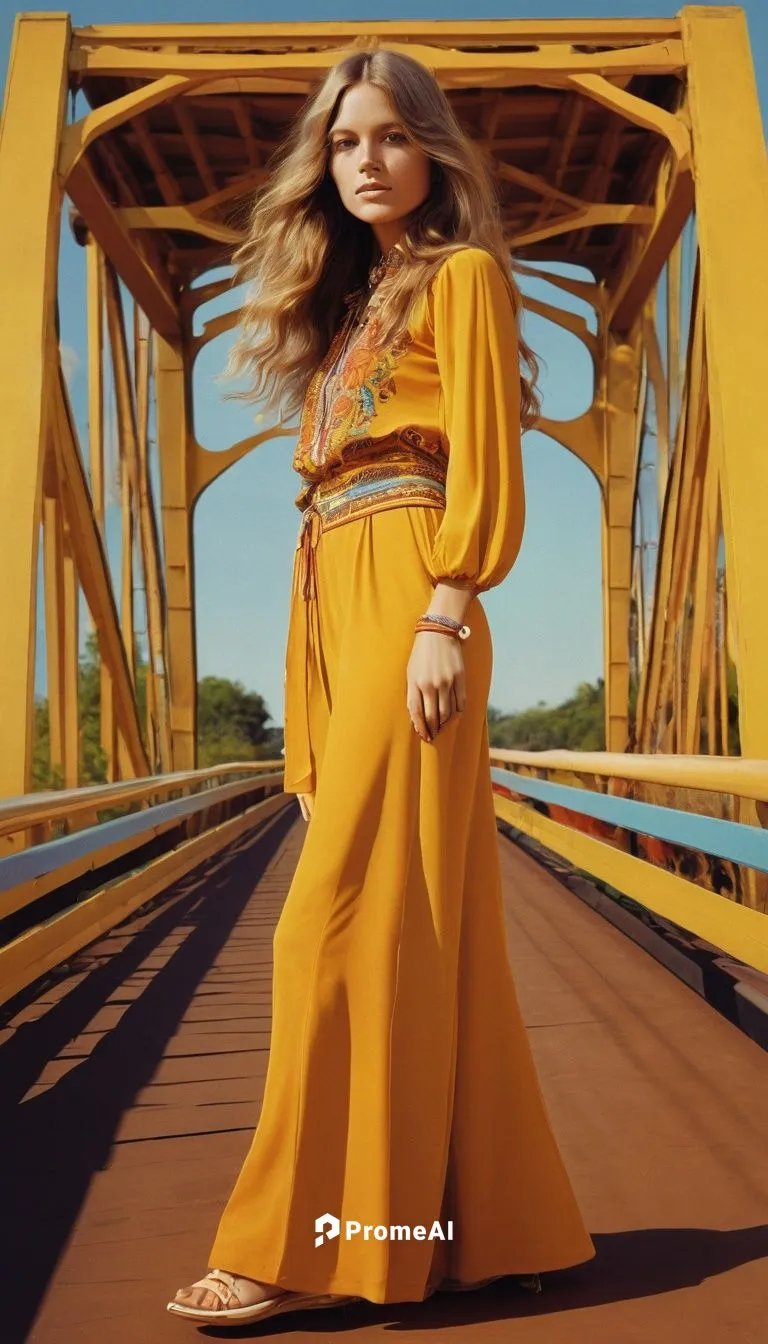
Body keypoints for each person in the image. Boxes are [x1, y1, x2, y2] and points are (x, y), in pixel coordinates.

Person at [167, 45, 595, 1328]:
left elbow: (489, 456)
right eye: (345, 142)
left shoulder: (461, 278)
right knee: (426, 926)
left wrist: (449, 605)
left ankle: (284, 1246)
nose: (366, 161)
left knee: (323, 928)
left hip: (414, 593)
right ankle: (485, 1225)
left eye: (391, 139)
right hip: (331, 595)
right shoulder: (353, 314)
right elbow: (323, 511)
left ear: (431, 154)